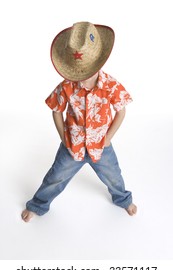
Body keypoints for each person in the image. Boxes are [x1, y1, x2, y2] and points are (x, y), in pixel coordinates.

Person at [21, 21, 137, 222]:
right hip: (72, 146)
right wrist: (64, 137)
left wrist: (108, 138)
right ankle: (37, 205)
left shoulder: (110, 85)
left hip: (100, 146)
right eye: (78, 71)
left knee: (114, 176)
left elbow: (121, 111)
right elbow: (56, 111)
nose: (82, 78)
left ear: (98, 63)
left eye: (87, 70)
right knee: (55, 178)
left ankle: (123, 199)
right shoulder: (67, 86)